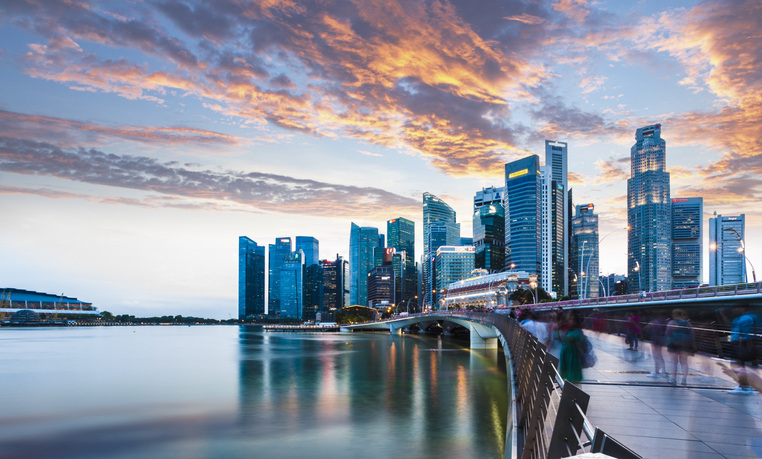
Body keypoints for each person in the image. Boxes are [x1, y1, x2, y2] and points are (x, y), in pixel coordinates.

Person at [726, 306, 759, 394]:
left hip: (740, 343)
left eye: (736, 308)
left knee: (738, 366)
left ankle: (744, 387)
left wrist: (740, 344)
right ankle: (745, 386)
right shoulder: (739, 318)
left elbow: (744, 333)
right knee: (740, 366)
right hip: (739, 343)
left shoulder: (745, 318)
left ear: (743, 308)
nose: (734, 309)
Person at [666, 309, 696, 385]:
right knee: (684, 363)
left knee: (673, 362)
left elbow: (667, 333)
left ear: (674, 315)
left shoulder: (672, 322)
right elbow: (692, 334)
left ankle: (673, 379)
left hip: (673, 344)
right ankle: (684, 379)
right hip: (685, 345)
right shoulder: (688, 323)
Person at [558, 311, 584, 384]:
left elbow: (577, 343)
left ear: (575, 321)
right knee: (567, 375)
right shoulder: (569, 330)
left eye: (570, 319)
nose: (568, 321)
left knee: (572, 376)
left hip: (572, 356)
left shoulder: (577, 332)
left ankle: (573, 389)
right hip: (566, 354)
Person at [646, 312, 669, 377]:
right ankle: (664, 371)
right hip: (662, 339)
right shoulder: (665, 321)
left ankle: (656, 371)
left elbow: (647, 327)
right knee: (659, 355)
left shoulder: (655, 321)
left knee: (655, 356)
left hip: (655, 340)